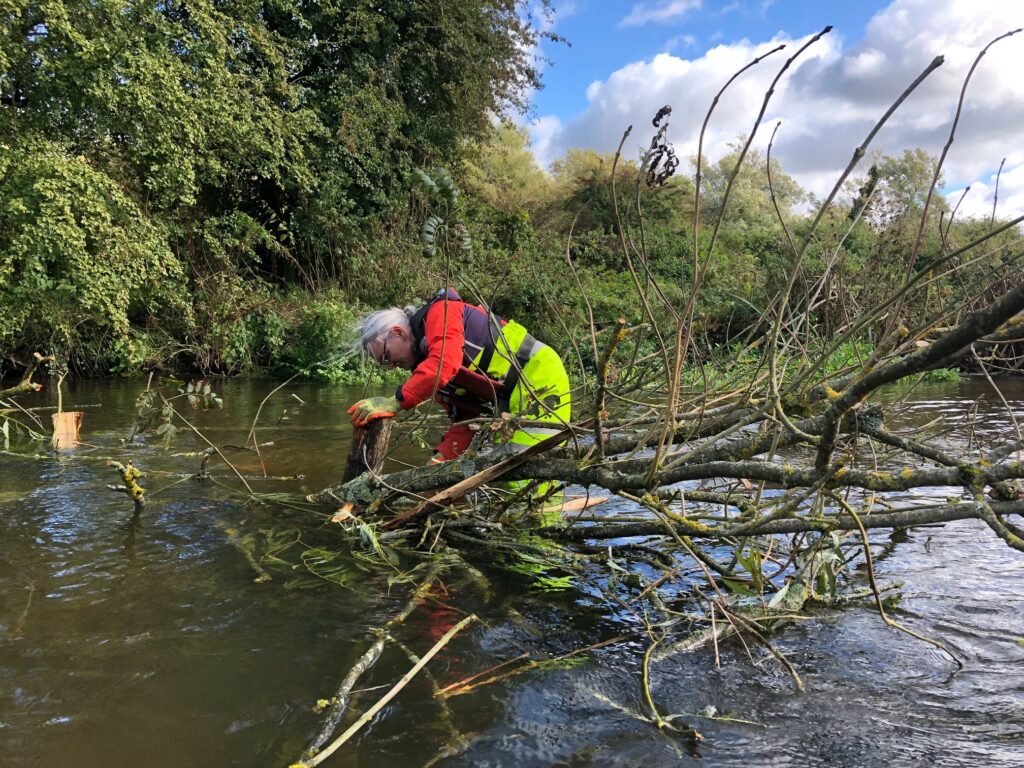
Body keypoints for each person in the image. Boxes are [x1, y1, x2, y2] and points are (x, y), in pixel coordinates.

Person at [349, 288, 571, 465]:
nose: (391, 366)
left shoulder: (441, 313)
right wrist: (441, 461)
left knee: (521, 471)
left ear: (398, 332)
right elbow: (465, 420)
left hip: (538, 378)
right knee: (503, 473)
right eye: (383, 364)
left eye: (386, 356)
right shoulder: (428, 368)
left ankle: (543, 517)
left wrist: (398, 400)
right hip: (510, 399)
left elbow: (445, 362)